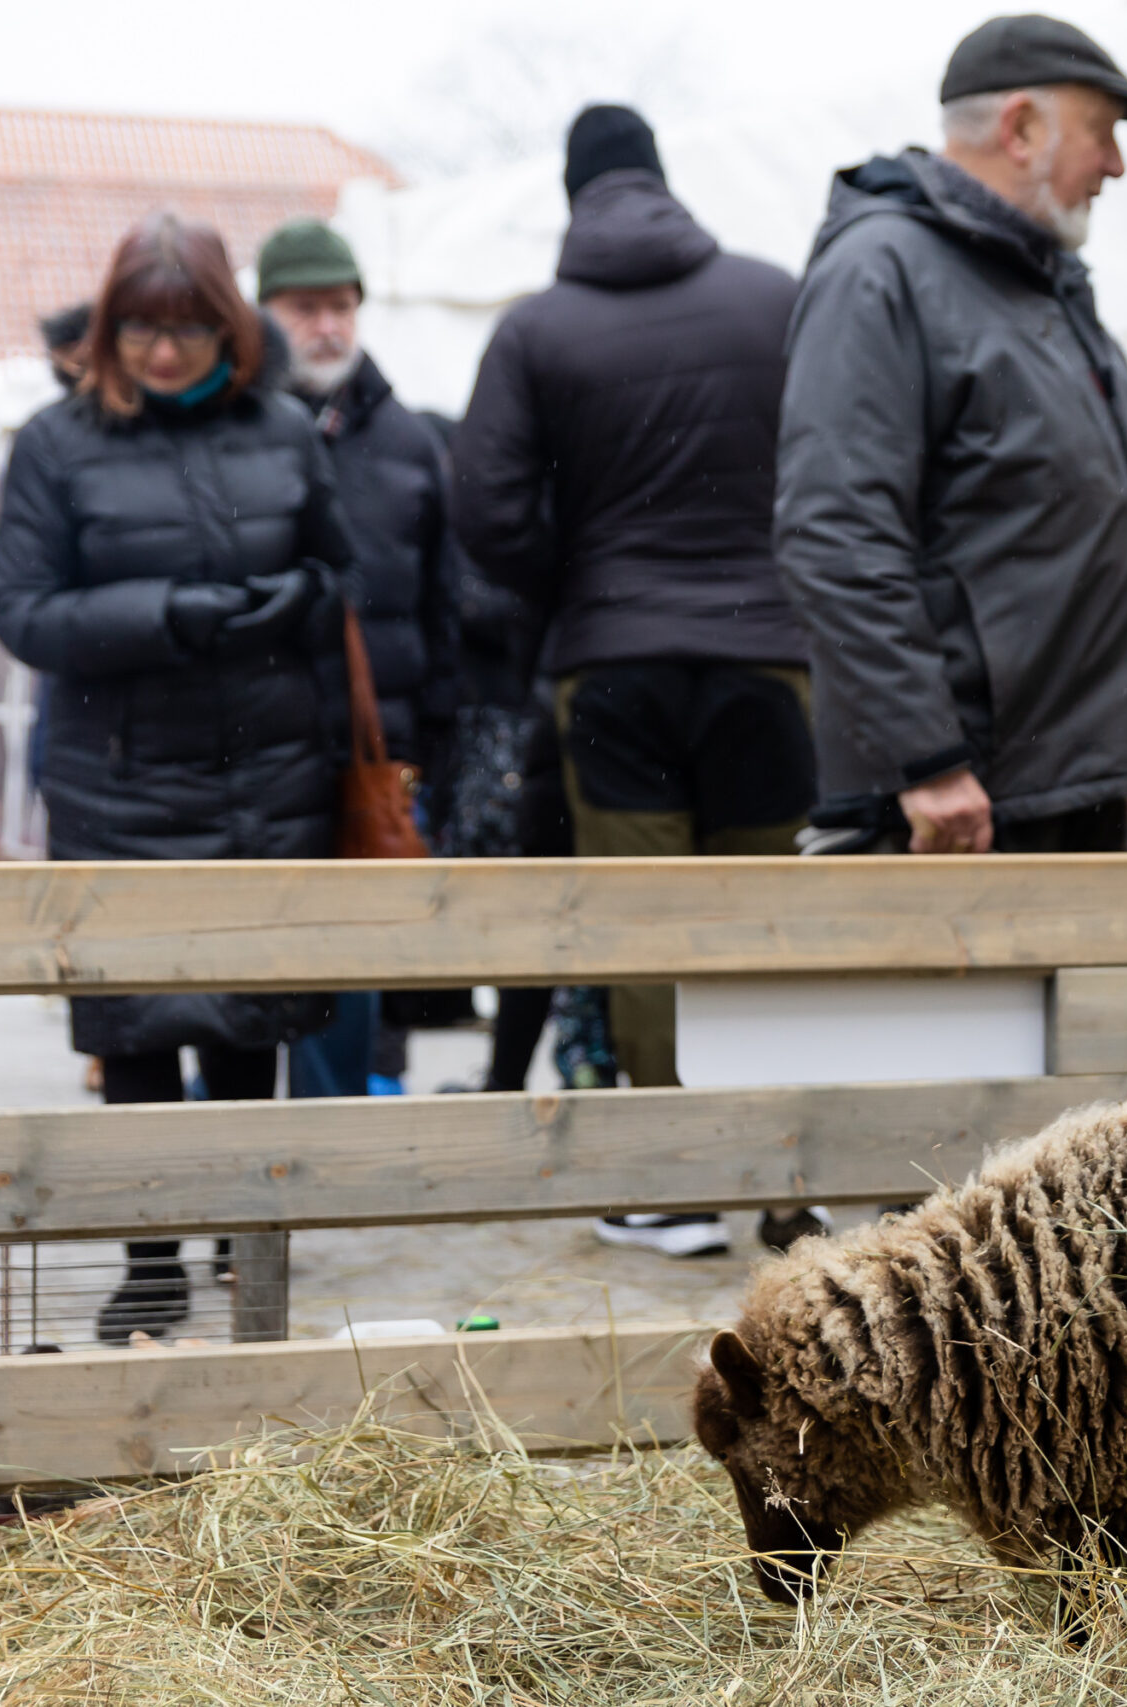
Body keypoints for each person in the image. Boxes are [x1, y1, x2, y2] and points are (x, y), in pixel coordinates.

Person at [452, 104, 813, 1260]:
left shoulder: (534, 331)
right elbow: (837, 465)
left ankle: (676, 1183)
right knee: (768, 919)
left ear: (574, 196)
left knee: (647, 918)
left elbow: (486, 512)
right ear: (663, 180)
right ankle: (787, 1178)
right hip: (769, 659)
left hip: (613, 669)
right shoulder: (774, 297)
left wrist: (583, 577)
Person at [0, 213, 350, 1342]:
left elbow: (337, 566)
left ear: (225, 329)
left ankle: (247, 1248)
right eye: (142, 329)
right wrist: (167, 617)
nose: (163, 352)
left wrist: (304, 597)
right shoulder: (57, 443)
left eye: (188, 329)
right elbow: (22, 609)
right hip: (123, 779)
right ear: (110, 328)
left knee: (251, 1025)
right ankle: (151, 1262)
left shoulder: (286, 430)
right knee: (137, 1029)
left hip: (270, 774)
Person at [779, 14, 1127, 858]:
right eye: (1101, 134)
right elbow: (837, 531)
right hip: (957, 806)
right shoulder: (881, 269)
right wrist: (923, 757)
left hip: (1057, 787)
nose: (1115, 165)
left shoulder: (1042, 282)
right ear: (1021, 128)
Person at [258, 219, 460, 1100]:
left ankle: (334, 1129)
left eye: (341, 306)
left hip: (375, 747)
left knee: (353, 953)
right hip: (253, 745)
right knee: (255, 952)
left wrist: (442, 734)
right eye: (306, 308)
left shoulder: (410, 441)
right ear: (264, 313)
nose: (328, 326)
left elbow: (444, 599)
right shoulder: (239, 433)